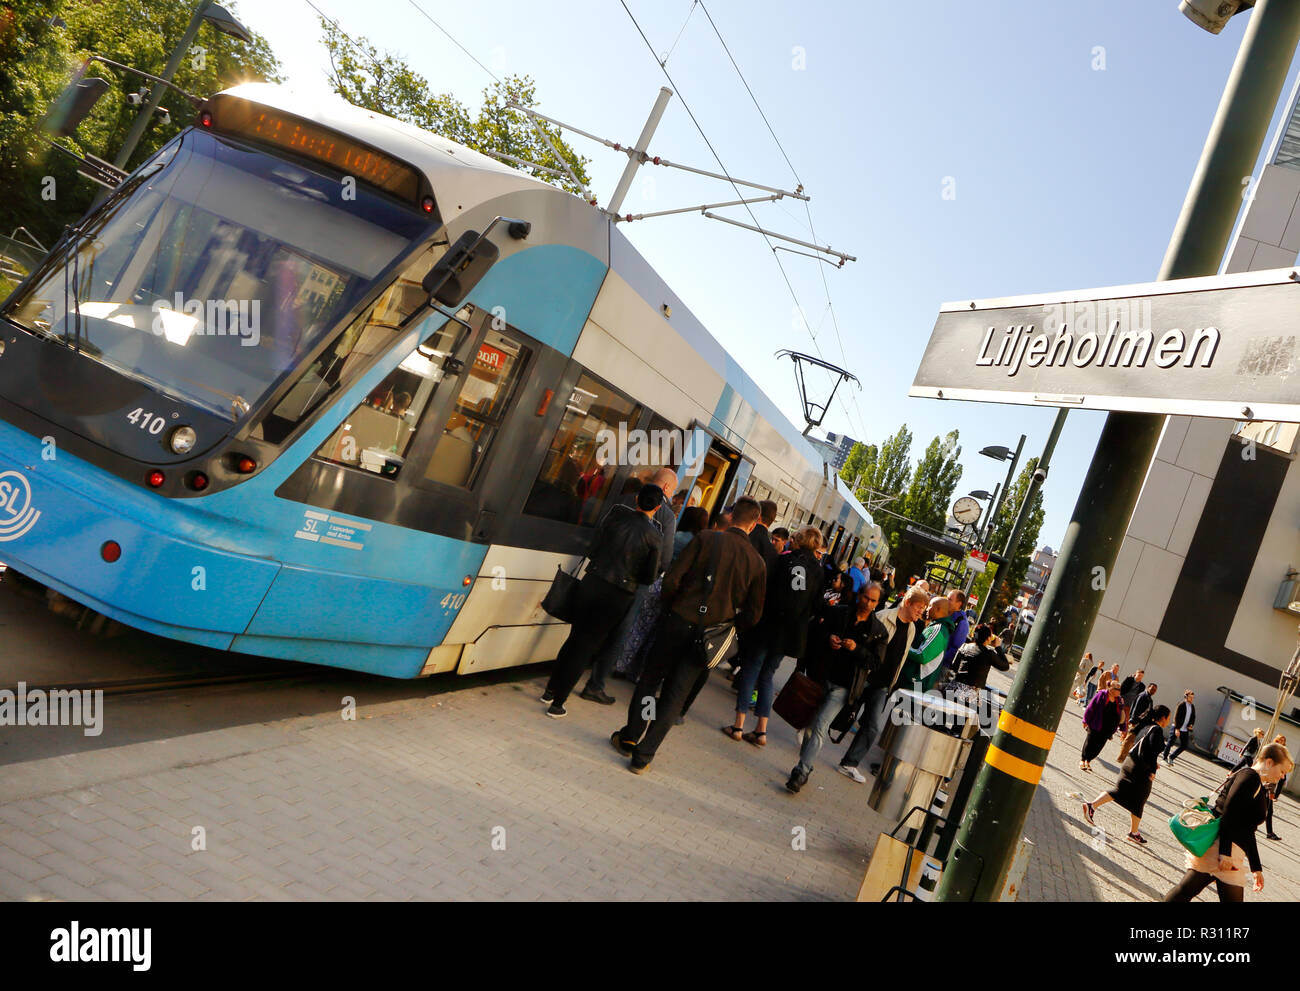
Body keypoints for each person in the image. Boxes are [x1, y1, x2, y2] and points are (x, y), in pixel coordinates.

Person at [612, 497, 766, 774]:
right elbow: (753, 615)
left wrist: (675, 604)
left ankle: (631, 735)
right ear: (754, 525)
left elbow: (672, 579)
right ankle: (643, 756)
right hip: (709, 637)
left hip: (678, 620)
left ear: (731, 517)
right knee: (675, 695)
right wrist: (728, 627)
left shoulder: (707, 538)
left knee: (650, 680)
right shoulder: (757, 563)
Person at [540, 484, 663, 717]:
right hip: (618, 596)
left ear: (637, 499)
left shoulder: (616, 517)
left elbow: (593, 547)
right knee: (587, 646)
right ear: (657, 507)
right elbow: (649, 576)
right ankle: (558, 703)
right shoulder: (655, 536)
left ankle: (550, 690)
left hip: (593, 581)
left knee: (574, 638)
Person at [579, 468, 679, 703]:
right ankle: (595, 684)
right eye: (672, 490)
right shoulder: (665, 515)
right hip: (632, 586)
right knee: (618, 634)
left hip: (601, 572)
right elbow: (664, 559)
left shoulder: (625, 498)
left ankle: (564, 678)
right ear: (665, 489)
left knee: (586, 628)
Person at [726, 526, 824, 746]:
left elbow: (766, 588)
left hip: (768, 626)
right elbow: (816, 605)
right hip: (789, 634)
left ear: (797, 540)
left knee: (751, 669)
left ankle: (738, 725)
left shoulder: (784, 560)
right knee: (768, 675)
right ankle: (761, 730)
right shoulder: (818, 570)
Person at [785, 582, 886, 793]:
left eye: (873, 600)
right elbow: (816, 632)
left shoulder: (877, 631)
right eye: (866, 598)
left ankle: (802, 771)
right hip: (820, 676)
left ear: (878, 603)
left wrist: (856, 648)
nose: (868, 603)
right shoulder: (839, 613)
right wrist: (828, 638)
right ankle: (803, 766)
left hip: (844, 687)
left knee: (820, 726)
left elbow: (875, 662)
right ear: (859, 595)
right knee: (810, 725)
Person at [1163, 742, 1293, 902]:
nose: (1282, 777)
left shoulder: (1258, 783)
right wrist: (1225, 852)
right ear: (1269, 762)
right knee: (1186, 890)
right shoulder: (1249, 777)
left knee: (1186, 890)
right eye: (1282, 771)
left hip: (1227, 849)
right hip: (1224, 848)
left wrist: (1256, 867)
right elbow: (1229, 813)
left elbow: (1248, 828)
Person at [835, 587, 929, 782]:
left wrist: (892, 684)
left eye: (923, 608)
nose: (921, 612)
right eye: (919, 607)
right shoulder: (883, 617)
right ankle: (809, 729)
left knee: (872, 727)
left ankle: (849, 763)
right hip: (864, 676)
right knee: (839, 709)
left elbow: (900, 658)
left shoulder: (912, 629)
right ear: (907, 603)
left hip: (883, 684)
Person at [1083, 704, 1171, 845]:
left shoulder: (1147, 726)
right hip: (1138, 769)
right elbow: (1151, 752)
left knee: (1136, 799)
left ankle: (1133, 832)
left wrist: (1153, 764)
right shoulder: (1157, 730)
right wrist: (1152, 769)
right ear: (1163, 718)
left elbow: (1143, 749)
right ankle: (1091, 806)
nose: (1169, 721)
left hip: (1131, 763)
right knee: (1131, 794)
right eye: (1169, 717)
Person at [896, 596, 955, 694]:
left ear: (938, 609)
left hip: (915, 683)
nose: (926, 609)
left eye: (930, 606)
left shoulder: (939, 629)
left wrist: (904, 647)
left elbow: (922, 655)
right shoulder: (938, 627)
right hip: (914, 682)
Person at [949, 623, 1010, 690]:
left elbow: (953, 667)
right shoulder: (988, 654)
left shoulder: (964, 646)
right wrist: (998, 647)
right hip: (969, 694)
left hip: (952, 688)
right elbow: (1005, 666)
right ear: (988, 638)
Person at [1080, 683, 1123, 772]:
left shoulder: (1119, 700)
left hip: (1108, 729)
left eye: (1119, 689)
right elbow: (1091, 707)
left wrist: (1123, 728)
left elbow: (1121, 715)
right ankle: (1083, 760)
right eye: (1117, 689)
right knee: (1090, 742)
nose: (1119, 691)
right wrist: (1085, 720)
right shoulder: (1102, 695)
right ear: (1110, 688)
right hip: (1096, 724)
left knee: (1098, 746)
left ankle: (1089, 761)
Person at [1116, 682, 1159, 762]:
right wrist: (1134, 721)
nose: (1153, 691)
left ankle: (1125, 758)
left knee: (1133, 741)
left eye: (1155, 690)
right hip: (1136, 722)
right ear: (1148, 687)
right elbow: (1136, 709)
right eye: (1152, 689)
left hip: (1141, 724)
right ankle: (1121, 758)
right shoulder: (1143, 696)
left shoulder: (1149, 699)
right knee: (1129, 740)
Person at [940, 589, 970, 675]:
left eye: (950, 599)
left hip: (943, 665)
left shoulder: (962, 622)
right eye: (947, 598)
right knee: (918, 685)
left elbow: (956, 647)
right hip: (932, 660)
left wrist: (941, 659)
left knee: (931, 687)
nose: (946, 601)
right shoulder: (944, 613)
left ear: (959, 603)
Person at [1162, 690, 1196, 765]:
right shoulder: (1181, 704)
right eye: (1190, 697)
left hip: (1185, 729)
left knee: (1184, 745)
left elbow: (1193, 717)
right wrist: (1177, 729)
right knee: (1170, 743)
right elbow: (1176, 717)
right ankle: (1164, 758)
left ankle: (1171, 757)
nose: (1192, 699)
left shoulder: (1192, 706)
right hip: (1177, 727)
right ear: (1186, 697)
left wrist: (1191, 724)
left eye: (1193, 698)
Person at [1265, 734, 1286, 841]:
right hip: (1267, 784)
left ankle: (1269, 832)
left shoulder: (1282, 753)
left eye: (1283, 740)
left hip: (1271, 784)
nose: (1282, 741)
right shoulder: (1273, 750)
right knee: (1268, 810)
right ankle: (1269, 832)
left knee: (1267, 809)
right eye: (1280, 739)